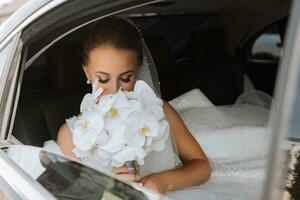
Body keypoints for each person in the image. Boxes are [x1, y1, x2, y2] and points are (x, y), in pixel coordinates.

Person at [56, 16, 211, 194]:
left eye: (125, 78)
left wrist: (161, 182)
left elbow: (202, 166)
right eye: (103, 79)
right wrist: (109, 189)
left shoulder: (160, 112)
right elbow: (75, 197)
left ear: (137, 72)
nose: (115, 91)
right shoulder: (71, 135)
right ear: (87, 72)